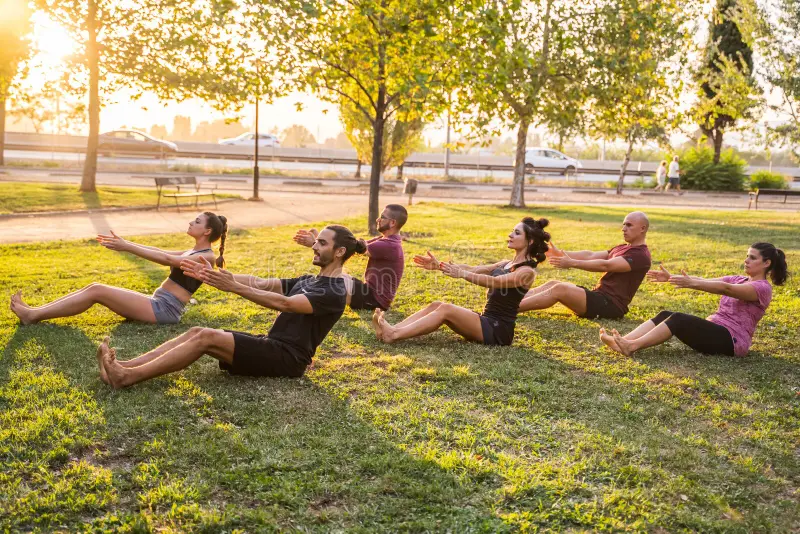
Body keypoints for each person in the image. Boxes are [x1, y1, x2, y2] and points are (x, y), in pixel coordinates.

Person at [97, 225, 366, 388]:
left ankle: (128, 377)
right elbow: (261, 283)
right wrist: (213, 275)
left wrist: (233, 287)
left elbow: (286, 304)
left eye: (321, 243)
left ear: (339, 252)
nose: (314, 247)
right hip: (273, 346)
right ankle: (125, 367)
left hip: (288, 359)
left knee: (205, 337)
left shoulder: (334, 291)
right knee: (197, 332)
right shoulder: (310, 280)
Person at [10, 212, 227, 325]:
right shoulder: (194, 251)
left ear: (207, 231)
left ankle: (32, 315)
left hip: (164, 310)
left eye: (197, 222)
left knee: (97, 291)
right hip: (158, 304)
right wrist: (126, 242)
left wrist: (127, 247)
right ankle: (35, 312)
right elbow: (159, 250)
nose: (191, 222)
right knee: (94, 286)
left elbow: (164, 258)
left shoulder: (206, 256)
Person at [372, 217, 550, 346]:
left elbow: (494, 282)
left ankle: (393, 334)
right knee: (437, 304)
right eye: (512, 231)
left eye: (516, 233)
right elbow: (474, 269)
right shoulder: (506, 263)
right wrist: (439, 265)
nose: (510, 235)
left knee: (446, 309)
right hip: (487, 320)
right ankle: (392, 329)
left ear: (530, 241)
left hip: (499, 330)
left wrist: (462, 274)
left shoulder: (527, 272)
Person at [601, 243, 787, 357]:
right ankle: (622, 342)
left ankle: (632, 346)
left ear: (767, 263)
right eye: (747, 256)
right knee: (667, 314)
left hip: (732, 341)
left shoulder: (762, 288)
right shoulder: (739, 278)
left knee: (679, 319)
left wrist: (690, 284)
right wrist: (671, 278)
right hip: (718, 331)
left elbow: (726, 288)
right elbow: (706, 281)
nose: (746, 260)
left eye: (752, 258)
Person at [518, 211, 651, 319]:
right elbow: (590, 255)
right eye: (624, 225)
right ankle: (511, 301)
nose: (623, 229)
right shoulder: (623, 247)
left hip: (611, 305)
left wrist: (571, 263)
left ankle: (509, 309)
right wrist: (560, 253)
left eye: (629, 225)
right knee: (552, 283)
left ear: (642, 228)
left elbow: (606, 265)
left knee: (560, 289)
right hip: (599, 296)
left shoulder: (640, 255)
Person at [293, 204, 407, 311]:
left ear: (392, 223)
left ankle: (299, 301)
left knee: (331, 281)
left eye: (382, 217)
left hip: (374, 300)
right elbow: (355, 245)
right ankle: (298, 294)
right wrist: (319, 240)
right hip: (367, 290)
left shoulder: (390, 245)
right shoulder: (385, 240)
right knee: (332, 275)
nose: (378, 219)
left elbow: (351, 248)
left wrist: (314, 242)